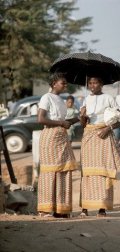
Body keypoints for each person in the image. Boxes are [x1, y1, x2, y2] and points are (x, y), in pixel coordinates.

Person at [79, 77, 120, 217]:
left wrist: (108, 129)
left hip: (104, 135)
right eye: (90, 83)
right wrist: (82, 116)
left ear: (101, 84)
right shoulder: (86, 100)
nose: (92, 85)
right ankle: (85, 208)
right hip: (89, 137)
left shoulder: (109, 98)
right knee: (87, 172)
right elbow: (83, 124)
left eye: (95, 83)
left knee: (103, 172)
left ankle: (102, 208)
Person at [37, 73, 78, 218]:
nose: (65, 85)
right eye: (63, 83)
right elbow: (41, 119)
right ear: (54, 83)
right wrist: (61, 123)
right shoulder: (46, 98)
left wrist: (79, 117)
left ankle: (60, 209)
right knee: (50, 172)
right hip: (50, 137)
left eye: (66, 83)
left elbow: (64, 121)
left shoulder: (61, 100)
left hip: (62, 137)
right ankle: (45, 209)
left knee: (63, 172)